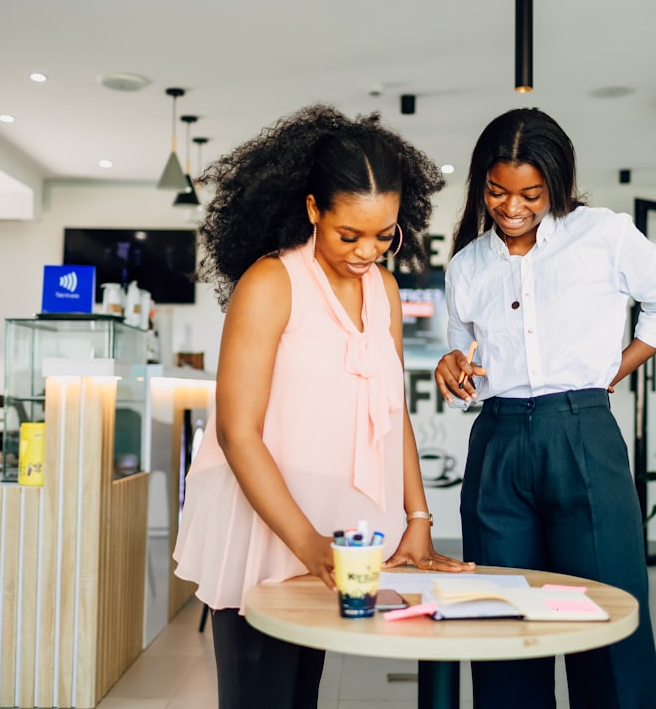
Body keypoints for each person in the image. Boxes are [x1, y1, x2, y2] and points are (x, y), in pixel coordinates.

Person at [172, 104, 474, 709]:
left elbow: (393, 414)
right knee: (261, 694)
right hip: (268, 524)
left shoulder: (383, 288)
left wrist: (417, 520)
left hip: (335, 531)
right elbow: (238, 434)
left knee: (301, 694)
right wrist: (307, 544)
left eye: (384, 234)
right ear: (313, 210)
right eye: (349, 234)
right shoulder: (271, 283)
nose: (368, 251)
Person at [433, 108, 656, 709]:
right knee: (501, 627)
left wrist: (613, 371)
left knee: (606, 623)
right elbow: (461, 346)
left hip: (583, 434)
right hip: (497, 445)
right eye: (497, 191)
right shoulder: (468, 264)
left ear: (556, 182)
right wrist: (451, 364)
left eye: (530, 192)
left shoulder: (602, 234)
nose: (512, 206)